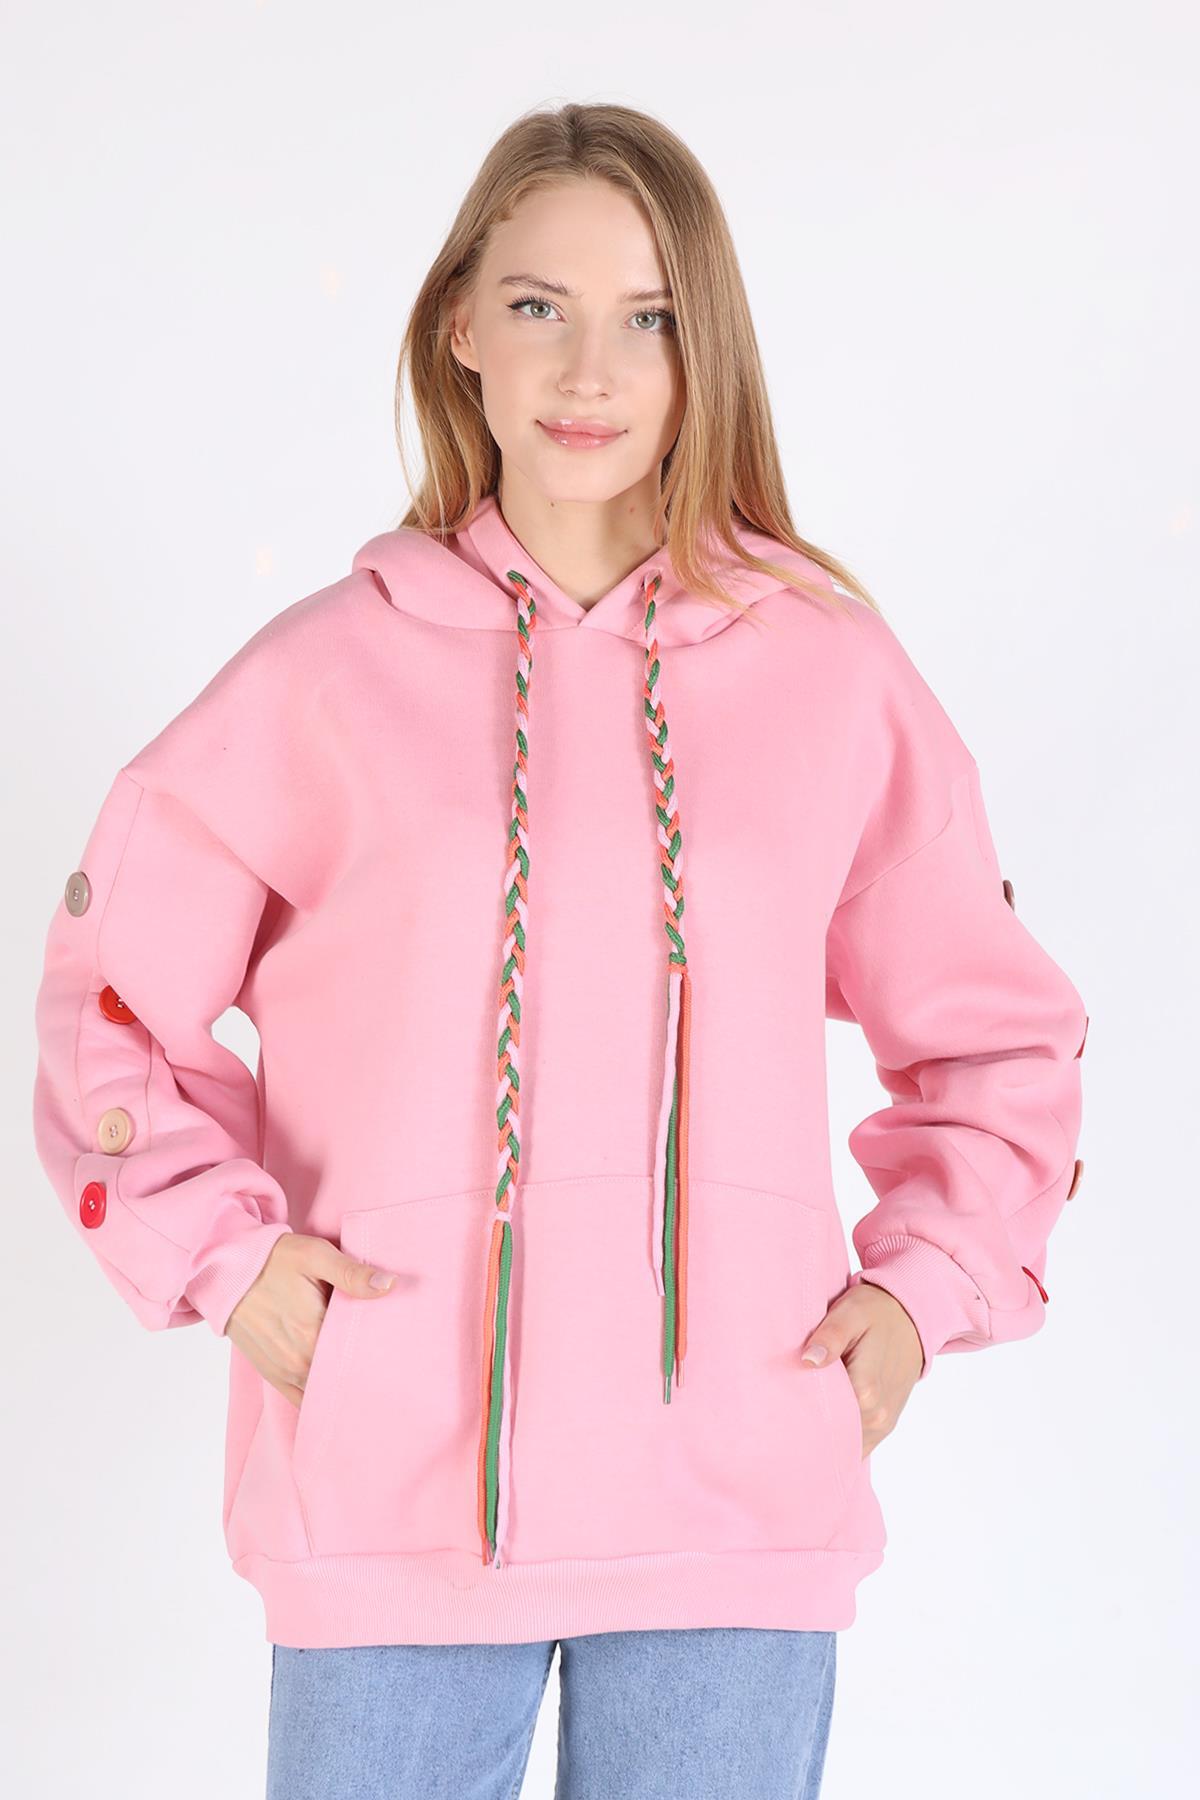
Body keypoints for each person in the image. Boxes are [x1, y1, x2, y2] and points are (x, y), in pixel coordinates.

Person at [31, 101, 1088, 1799]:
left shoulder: (830, 676)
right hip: (389, 1503)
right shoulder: (322, 677)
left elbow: (997, 1037)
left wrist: (920, 1295)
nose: (590, 370)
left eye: (648, 317)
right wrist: (227, 1262)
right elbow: (110, 1002)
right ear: (460, 322)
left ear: (703, 345)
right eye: (539, 305)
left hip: (737, 1504)